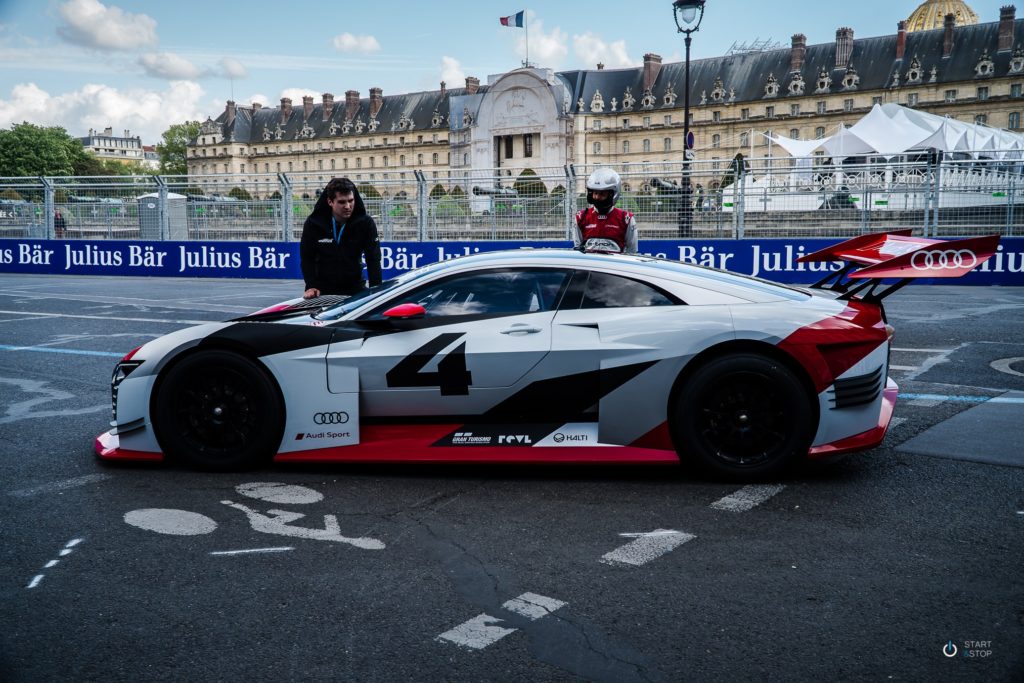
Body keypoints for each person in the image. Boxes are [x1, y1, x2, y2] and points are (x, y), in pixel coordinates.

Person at [300, 177, 382, 299]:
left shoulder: (365, 223)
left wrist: (376, 290)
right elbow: (307, 257)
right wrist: (311, 285)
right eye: (342, 202)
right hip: (322, 291)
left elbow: (373, 258)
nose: (348, 206)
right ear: (330, 202)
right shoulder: (313, 223)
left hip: (355, 288)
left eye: (351, 200)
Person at [573, 167, 638, 254]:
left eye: (602, 194)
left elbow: (632, 252)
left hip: (614, 266)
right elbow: (578, 250)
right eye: (595, 193)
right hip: (589, 266)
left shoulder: (626, 219)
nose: (597, 197)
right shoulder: (581, 217)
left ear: (613, 194)